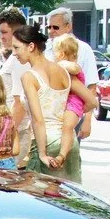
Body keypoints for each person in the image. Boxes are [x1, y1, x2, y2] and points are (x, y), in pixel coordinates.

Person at [14, 24, 89, 183]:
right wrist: (72, 117)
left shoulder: (29, 77)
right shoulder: (63, 70)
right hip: (69, 141)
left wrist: (42, 153)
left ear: (31, 46)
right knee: (70, 193)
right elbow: (91, 101)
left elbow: (38, 120)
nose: (14, 53)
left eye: (16, 47)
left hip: (45, 141)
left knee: (37, 194)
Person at [45, 7, 99, 140]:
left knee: (69, 149)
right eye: (49, 27)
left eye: (55, 27)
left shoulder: (84, 49)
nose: (51, 31)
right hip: (49, 113)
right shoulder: (45, 48)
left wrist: (87, 120)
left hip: (72, 111)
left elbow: (91, 86)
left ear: (68, 26)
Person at [53, 34, 98, 168]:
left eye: (55, 53)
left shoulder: (73, 67)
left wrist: (60, 64)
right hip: (68, 103)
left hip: (74, 103)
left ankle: (62, 154)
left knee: (67, 127)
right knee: (64, 128)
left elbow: (74, 68)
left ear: (61, 54)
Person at [0, 7, 32, 169]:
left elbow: (21, 102)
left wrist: (6, 135)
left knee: (12, 179)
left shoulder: (20, 59)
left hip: (17, 132)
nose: (1, 37)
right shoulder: (15, 56)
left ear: (17, 31)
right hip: (13, 129)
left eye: (4, 32)